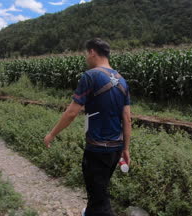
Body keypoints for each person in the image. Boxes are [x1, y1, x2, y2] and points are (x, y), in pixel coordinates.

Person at [44, 38, 132, 216]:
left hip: (97, 149)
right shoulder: (122, 80)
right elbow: (127, 118)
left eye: (87, 53)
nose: (86, 57)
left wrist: (51, 134)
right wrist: (126, 149)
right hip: (116, 149)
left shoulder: (90, 76)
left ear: (92, 52)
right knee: (98, 190)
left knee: (99, 198)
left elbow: (71, 113)